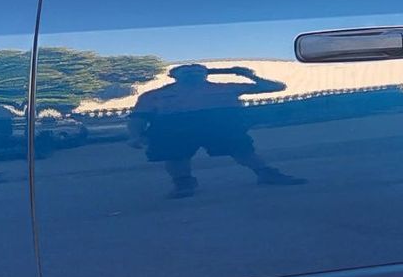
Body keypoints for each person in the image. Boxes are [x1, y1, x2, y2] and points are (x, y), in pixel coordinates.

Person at [127, 64, 304, 198]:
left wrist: (249, 75)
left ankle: (266, 174)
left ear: (206, 74)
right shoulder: (153, 95)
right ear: (173, 75)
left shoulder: (226, 87)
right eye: (186, 70)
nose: (192, 72)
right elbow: (139, 117)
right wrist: (135, 135)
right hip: (175, 128)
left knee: (242, 150)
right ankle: (183, 184)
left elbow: (277, 87)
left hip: (220, 125)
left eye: (198, 70)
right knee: (176, 156)